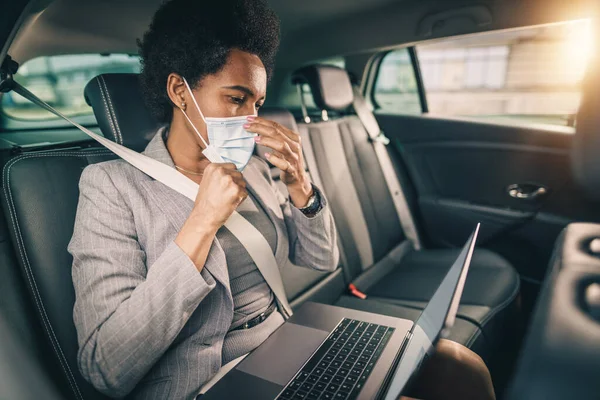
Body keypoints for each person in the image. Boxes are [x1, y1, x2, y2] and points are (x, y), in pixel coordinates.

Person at [68, 0, 495, 399]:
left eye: (257, 103)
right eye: (236, 99)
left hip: (286, 342)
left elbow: (320, 261)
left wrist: (300, 186)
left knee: (461, 366)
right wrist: (201, 223)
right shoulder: (111, 186)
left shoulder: (250, 166)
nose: (250, 119)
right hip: (209, 379)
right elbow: (105, 366)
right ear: (180, 90)